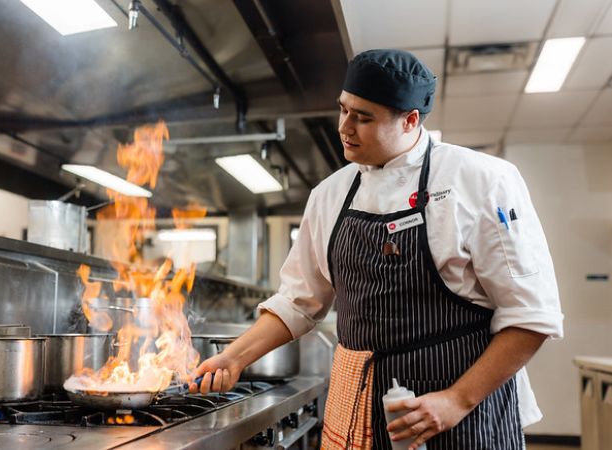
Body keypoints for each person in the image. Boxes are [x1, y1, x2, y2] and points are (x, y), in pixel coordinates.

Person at [188, 49, 563, 449]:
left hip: (464, 417)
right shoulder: (329, 195)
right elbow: (298, 302)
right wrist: (234, 357)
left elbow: (531, 316)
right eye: (343, 110)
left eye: (364, 117)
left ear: (410, 120)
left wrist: (456, 399)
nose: (345, 127)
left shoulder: (481, 180)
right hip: (364, 414)